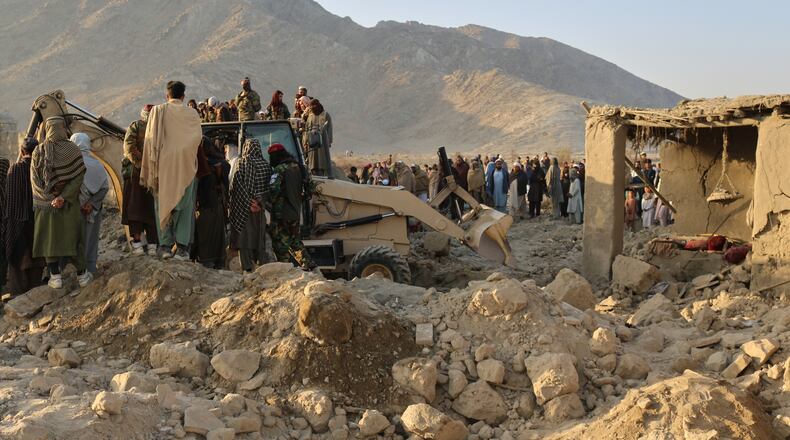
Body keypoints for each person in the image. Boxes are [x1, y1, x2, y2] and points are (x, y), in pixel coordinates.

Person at [141, 80, 203, 260]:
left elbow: (151, 140)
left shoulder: (158, 111)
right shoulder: (191, 113)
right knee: (185, 207)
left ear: (166, 95)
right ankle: (182, 249)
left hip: (164, 166)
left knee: (163, 205)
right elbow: (197, 138)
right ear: (183, 96)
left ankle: (165, 247)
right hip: (186, 166)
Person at [31, 116, 88, 288]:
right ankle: (83, 276)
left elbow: (34, 180)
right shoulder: (73, 150)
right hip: (68, 205)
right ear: (63, 128)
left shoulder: (38, 151)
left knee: (50, 241)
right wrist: (63, 197)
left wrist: (49, 200)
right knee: (73, 239)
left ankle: (55, 277)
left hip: (45, 206)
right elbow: (78, 178)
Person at [4, 138, 45, 295]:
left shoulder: (15, 169)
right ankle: (36, 292)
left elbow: (10, 199)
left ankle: (18, 296)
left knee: (18, 259)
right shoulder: (42, 169)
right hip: (38, 221)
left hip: (17, 223)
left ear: (22, 152)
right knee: (37, 260)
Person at [267, 143, 313, 269]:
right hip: (295, 212)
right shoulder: (299, 167)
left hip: (282, 214)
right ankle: (310, 266)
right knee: (295, 241)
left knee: (280, 244)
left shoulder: (280, 169)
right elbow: (311, 189)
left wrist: (265, 203)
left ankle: (285, 270)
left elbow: (273, 190)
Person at [229, 139, 272, 272]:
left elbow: (237, 185)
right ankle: (262, 266)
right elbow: (269, 188)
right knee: (259, 236)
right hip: (259, 209)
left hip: (243, 209)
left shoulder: (242, 162)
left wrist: (248, 203)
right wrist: (259, 203)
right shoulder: (266, 165)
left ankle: (247, 268)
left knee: (244, 238)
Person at [71, 133, 109, 278]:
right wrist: (92, 204)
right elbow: (104, 187)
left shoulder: (71, 163)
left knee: (75, 240)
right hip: (92, 210)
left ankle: (76, 272)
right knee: (91, 239)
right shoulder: (97, 164)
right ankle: (90, 269)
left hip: (75, 210)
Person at [123, 104, 159, 255]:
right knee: (150, 209)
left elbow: (129, 147)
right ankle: (152, 245)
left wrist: (140, 164)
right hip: (154, 175)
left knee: (135, 209)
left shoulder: (136, 126)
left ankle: (138, 245)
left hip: (135, 175)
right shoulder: (160, 129)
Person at [193, 137, 228, 268]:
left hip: (206, 206)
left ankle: (207, 260)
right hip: (217, 205)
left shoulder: (202, 163)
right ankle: (217, 261)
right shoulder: (221, 162)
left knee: (205, 235)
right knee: (216, 235)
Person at [303, 99, 333, 176]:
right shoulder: (310, 116)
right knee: (312, 160)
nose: (312, 107)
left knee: (321, 160)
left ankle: (321, 173)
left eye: (314, 105)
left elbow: (329, 128)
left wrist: (328, 141)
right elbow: (306, 129)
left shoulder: (326, 114)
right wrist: (305, 141)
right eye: (311, 106)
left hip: (322, 142)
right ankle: (313, 172)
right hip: (311, 142)